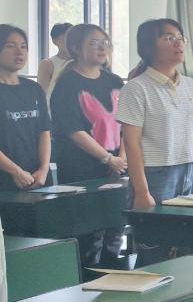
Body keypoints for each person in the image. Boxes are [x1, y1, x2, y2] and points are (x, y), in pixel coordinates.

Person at [50, 24, 127, 267]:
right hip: (82, 170)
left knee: (116, 231)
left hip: (117, 168)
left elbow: (127, 124)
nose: (101, 48)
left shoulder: (114, 81)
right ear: (75, 47)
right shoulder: (67, 84)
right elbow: (73, 130)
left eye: (104, 42)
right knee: (90, 237)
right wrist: (108, 159)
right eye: (93, 43)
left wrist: (122, 158)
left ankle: (115, 279)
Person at [117, 18, 193, 210]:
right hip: (156, 173)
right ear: (148, 48)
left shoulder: (192, 86)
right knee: (159, 229)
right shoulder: (136, 88)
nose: (178, 43)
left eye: (180, 37)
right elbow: (132, 144)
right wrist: (142, 192)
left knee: (192, 229)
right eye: (168, 38)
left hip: (192, 169)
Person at [0, 25, 51, 192]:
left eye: (23, 46)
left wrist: (44, 169)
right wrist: (16, 171)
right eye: (10, 46)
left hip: (38, 177)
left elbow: (44, 131)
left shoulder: (33, 89)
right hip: (6, 178)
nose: (19, 52)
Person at [37, 22, 73, 97]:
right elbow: (41, 93)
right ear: (55, 41)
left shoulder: (81, 62)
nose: (70, 43)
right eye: (65, 39)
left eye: (72, 38)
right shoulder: (47, 64)